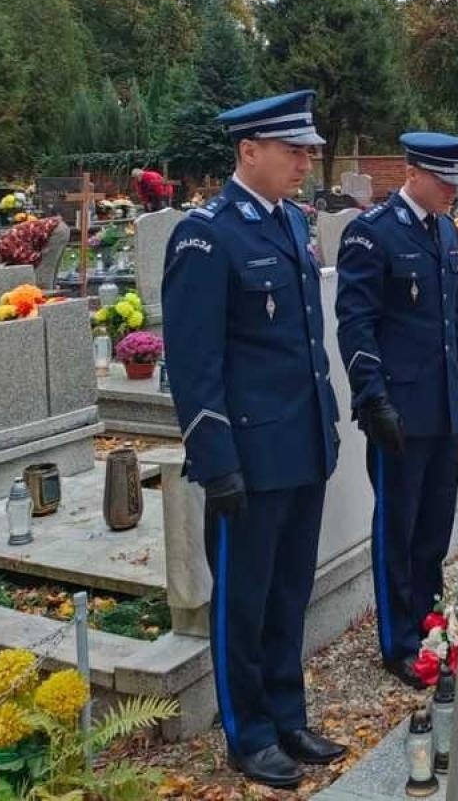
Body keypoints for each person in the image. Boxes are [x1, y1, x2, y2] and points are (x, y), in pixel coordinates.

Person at [161, 89, 345, 788]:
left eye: (306, 151)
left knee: (289, 590)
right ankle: (248, 731)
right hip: (247, 457)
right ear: (248, 150)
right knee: (244, 599)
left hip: (301, 446)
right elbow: (194, 361)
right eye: (291, 149)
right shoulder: (208, 235)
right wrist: (216, 463)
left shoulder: (291, 225)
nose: (304, 161)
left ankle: (288, 714)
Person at [335, 133, 458, 689]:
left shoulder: (444, 232)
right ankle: (399, 641)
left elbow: (451, 319)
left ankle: (428, 623)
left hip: (441, 405)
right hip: (399, 409)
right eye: (444, 179)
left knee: (434, 528)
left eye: (457, 180)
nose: (453, 190)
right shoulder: (372, 236)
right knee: (396, 529)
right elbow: (356, 323)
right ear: (412, 172)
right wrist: (371, 396)